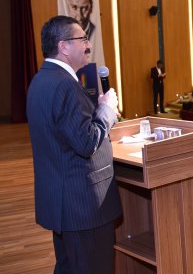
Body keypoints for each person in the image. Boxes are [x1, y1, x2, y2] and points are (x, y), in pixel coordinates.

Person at [27, 15, 121, 273]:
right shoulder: (65, 85)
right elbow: (86, 142)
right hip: (83, 207)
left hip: (62, 203)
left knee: (69, 267)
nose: (88, 45)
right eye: (82, 39)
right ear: (63, 46)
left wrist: (96, 108)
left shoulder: (40, 81)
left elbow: (64, 135)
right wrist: (107, 112)